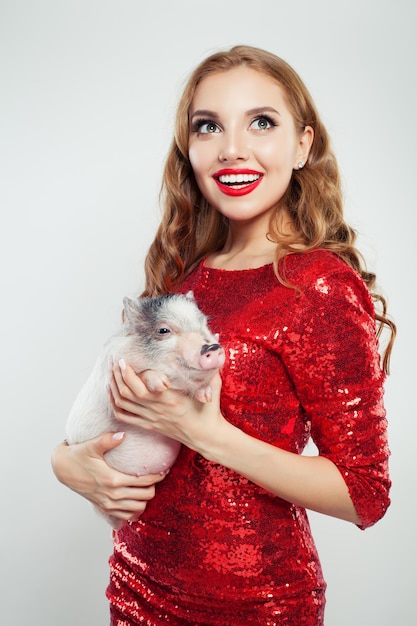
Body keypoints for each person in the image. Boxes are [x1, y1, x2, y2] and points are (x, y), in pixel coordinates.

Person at [52, 45, 396, 625]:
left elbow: (365, 493)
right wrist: (70, 465)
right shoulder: (182, 277)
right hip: (137, 589)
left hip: (251, 606)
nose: (232, 147)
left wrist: (200, 430)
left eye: (262, 122)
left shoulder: (317, 286)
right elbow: (114, 408)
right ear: (190, 149)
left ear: (304, 145)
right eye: (208, 126)